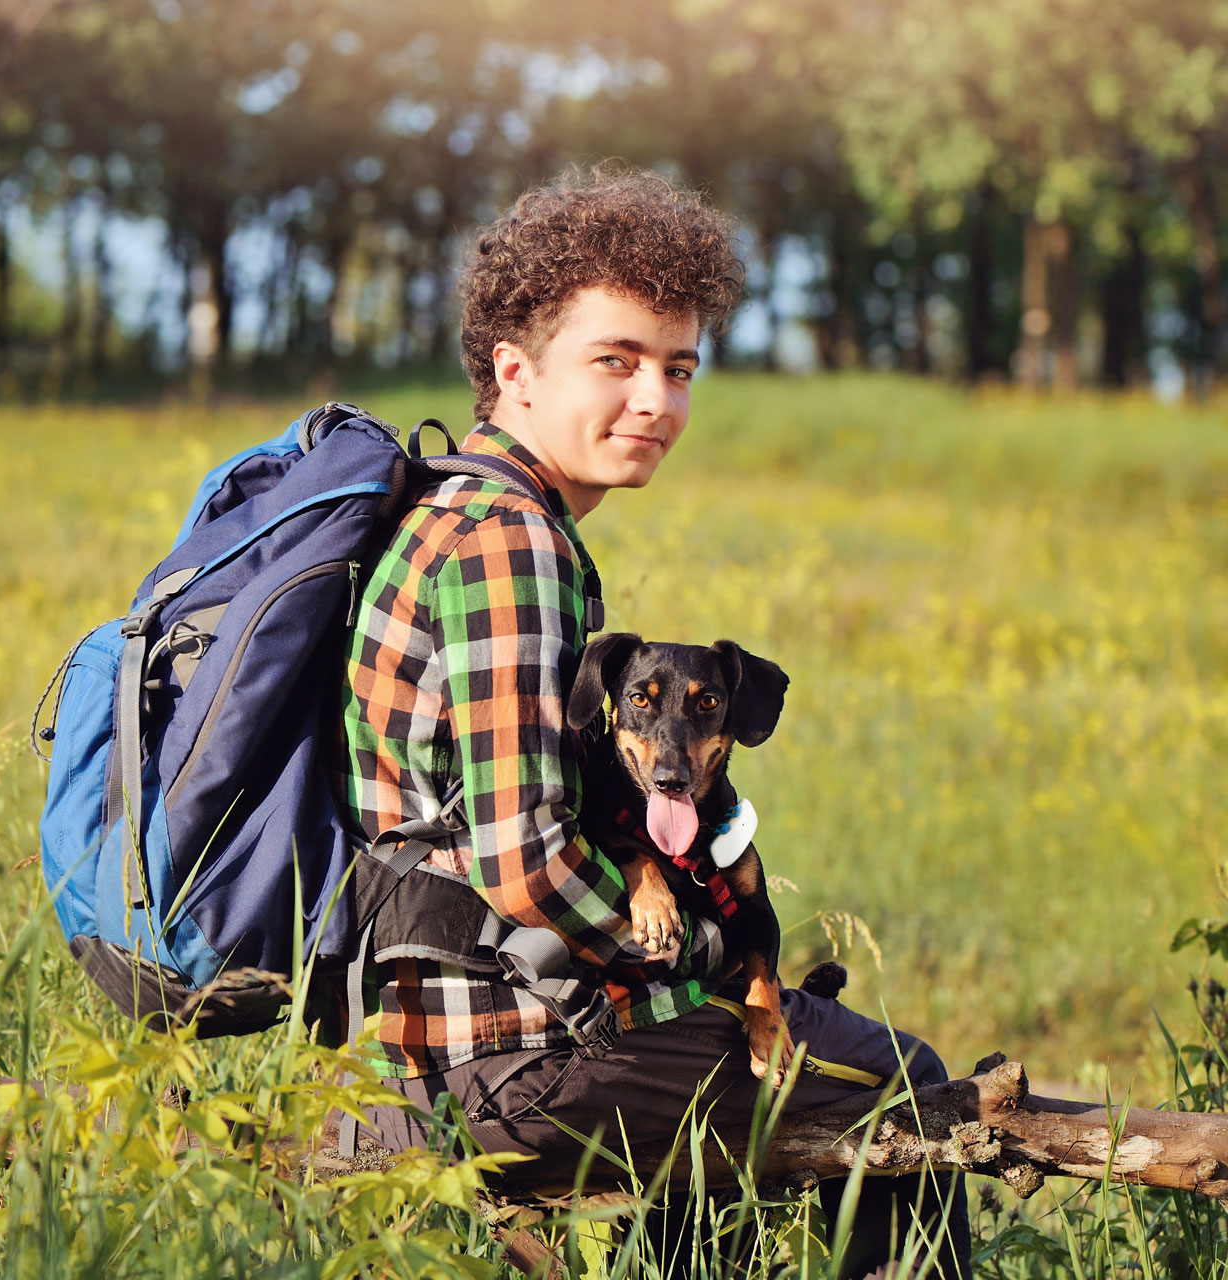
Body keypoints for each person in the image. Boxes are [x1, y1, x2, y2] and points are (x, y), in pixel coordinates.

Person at [328, 168, 970, 1277]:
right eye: (616, 362)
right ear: (513, 372)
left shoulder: (454, 504)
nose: (657, 402)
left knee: (720, 1155)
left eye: (680, 369)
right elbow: (526, 867)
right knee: (911, 1085)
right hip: (508, 1055)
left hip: (454, 1035)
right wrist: (709, 964)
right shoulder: (509, 547)